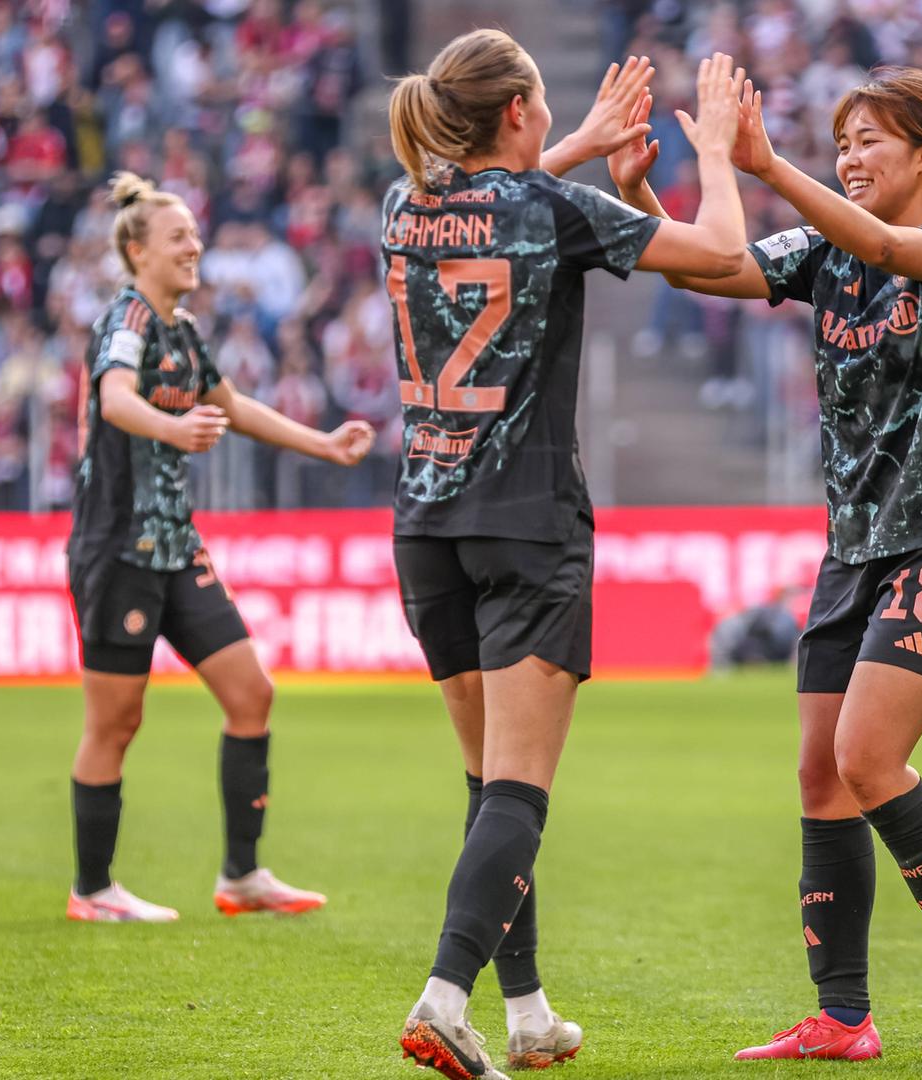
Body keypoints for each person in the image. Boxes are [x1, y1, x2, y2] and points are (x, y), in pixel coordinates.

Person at [609, 66, 922, 1062]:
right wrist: (634, 194)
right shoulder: (819, 253)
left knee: (866, 760)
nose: (850, 156)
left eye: (869, 139)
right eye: (841, 141)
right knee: (820, 776)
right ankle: (843, 1018)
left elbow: (882, 243)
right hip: (852, 553)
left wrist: (765, 163)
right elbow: (710, 269)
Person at [382, 31, 750, 1078]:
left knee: (486, 779)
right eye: (543, 104)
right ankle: (446, 997)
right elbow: (722, 250)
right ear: (517, 112)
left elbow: (492, 205)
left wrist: (583, 142)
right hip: (528, 522)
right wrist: (715, 150)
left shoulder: (402, 206)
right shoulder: (553, 212)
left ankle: (528, 1010)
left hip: (425, 525)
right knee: (520, 788)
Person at [63, 172, 376, 924]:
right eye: (178, 237)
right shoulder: (128, 320)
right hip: (117, 548)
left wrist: (323, 445)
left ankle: (242, 875)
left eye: (195, 235)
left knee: (251, 694)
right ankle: (93, 889)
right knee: (116, 722)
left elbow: (231, 408)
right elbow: (113, 400)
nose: (194, 246)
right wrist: (172, 428)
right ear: (137, 251)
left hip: (174, 546)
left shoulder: (184, 330)